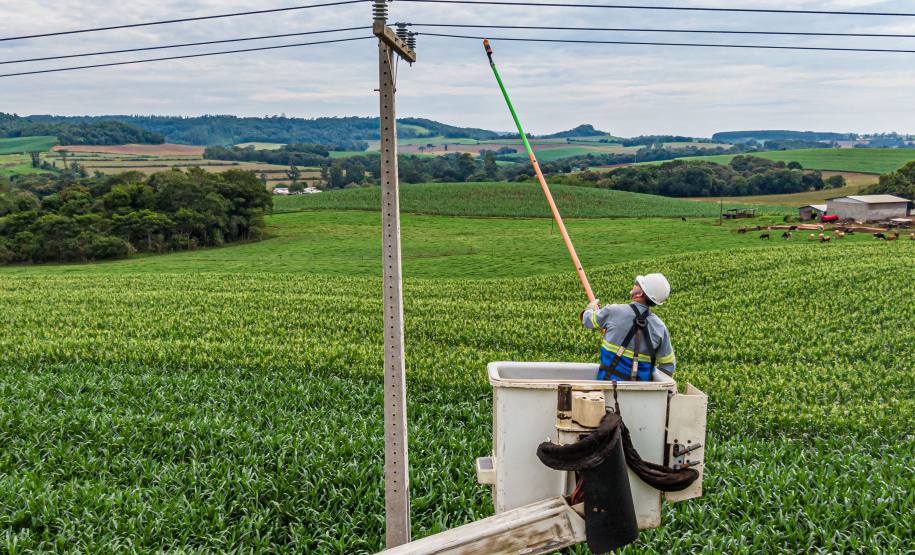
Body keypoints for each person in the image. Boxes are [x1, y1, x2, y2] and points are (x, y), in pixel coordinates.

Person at [580, 274, 676, 381]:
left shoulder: (613, 311)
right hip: (643, 389)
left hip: (609, 385)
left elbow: (588, 320)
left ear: (639, 293)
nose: (634, 284)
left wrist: (590, 309)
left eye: (637, 284)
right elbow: (668, 367)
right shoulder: (660, 327)